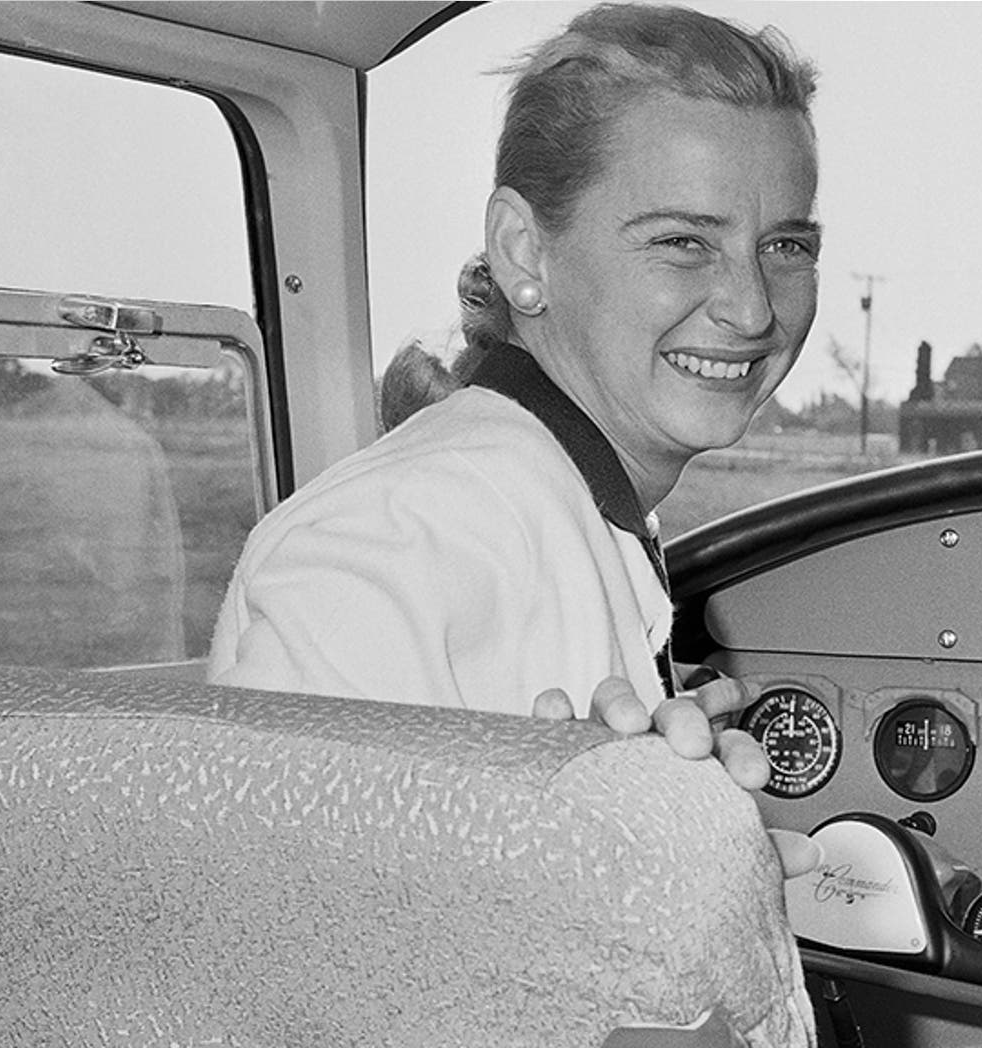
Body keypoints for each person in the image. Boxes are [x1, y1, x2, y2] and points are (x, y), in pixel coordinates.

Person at [206, 3, 822, 868]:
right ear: (525, 253)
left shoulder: (561, 494)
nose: (753, 308)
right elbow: (290, 959)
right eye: (683, 241)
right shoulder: (384, 547)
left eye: (787, 246)